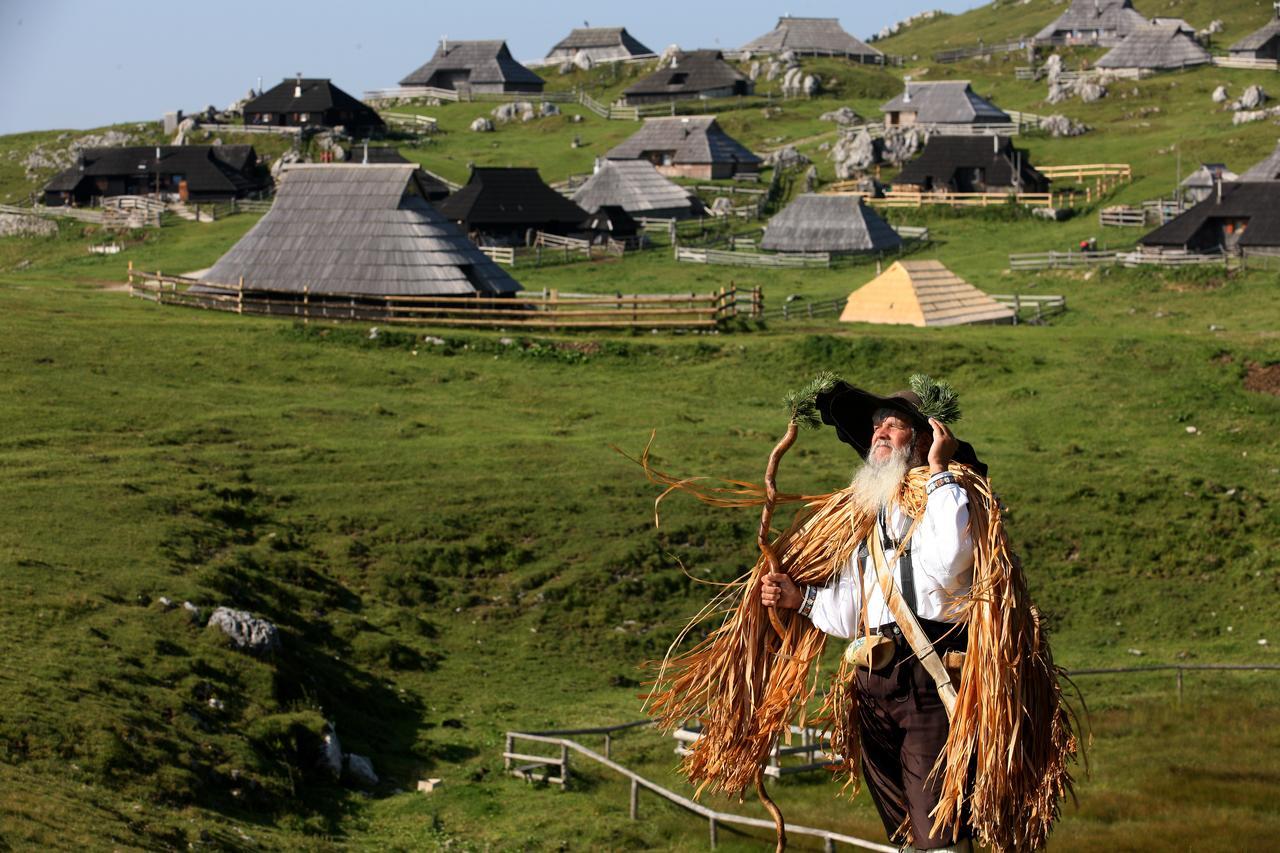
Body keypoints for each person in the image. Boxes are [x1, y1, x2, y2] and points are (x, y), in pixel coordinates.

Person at [761, 388, 975, 851]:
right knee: (901, 830)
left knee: (939, 831)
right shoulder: (870, 516)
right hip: (874, 684)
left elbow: (951, 561)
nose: (878, 431)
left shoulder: (949, 494)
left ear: (923, 440)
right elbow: (849, 613)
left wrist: (938, 471)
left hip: (929, 682)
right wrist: (797, 598)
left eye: (893, 424)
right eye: (876, 424)